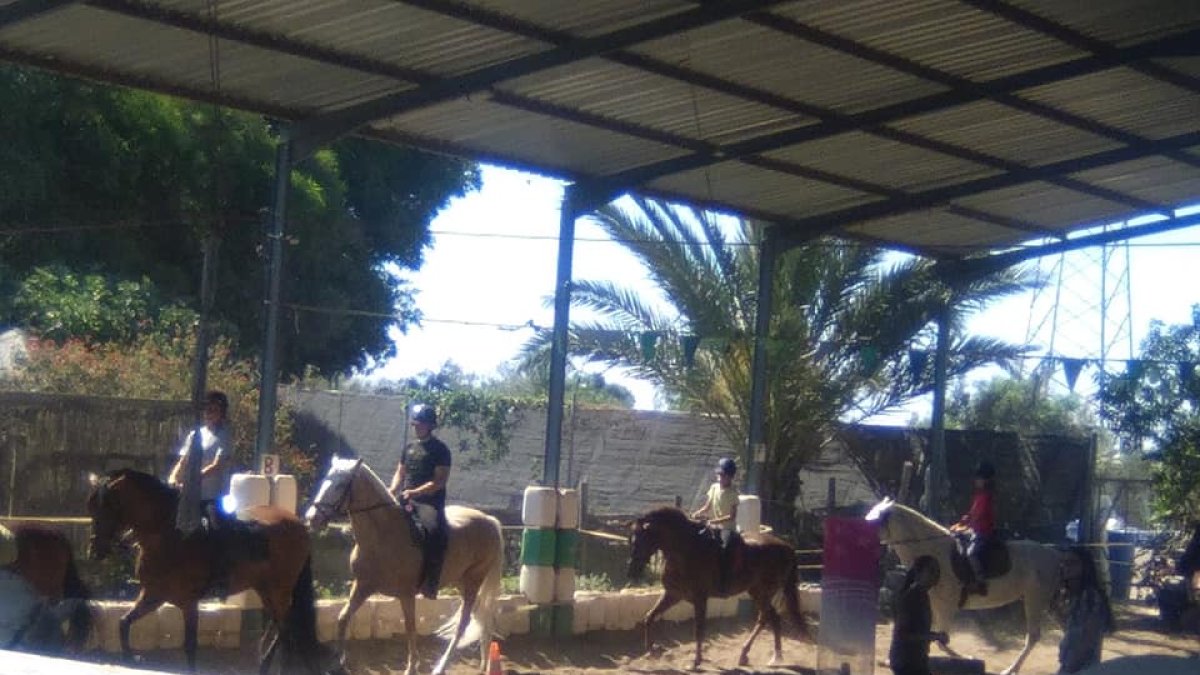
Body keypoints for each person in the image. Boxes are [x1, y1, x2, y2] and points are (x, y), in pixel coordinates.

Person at [167, 390, 234, 596]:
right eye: (207, 408)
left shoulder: (224, 435)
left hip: (213, 496)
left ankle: (220, 577)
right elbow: (184, 460)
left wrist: (193, 479)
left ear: (222, 413)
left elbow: (217, 465)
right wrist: (174, 477)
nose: (209, 412)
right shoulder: (195, 434)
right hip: (191, 494)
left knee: (216, 529)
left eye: (214, 409)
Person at [389, 403, 451, 599]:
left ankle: (430, 582)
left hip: (428, 503)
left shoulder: (440, 450)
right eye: (414, 424)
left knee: (434, 533)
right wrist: (392, 489)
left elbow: (439, 481)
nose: (416, 427)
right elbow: (400, 472)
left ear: (430, 425)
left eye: (420, 424)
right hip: (406, 497)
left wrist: (414, 493)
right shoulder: (408, 448)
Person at [1057, 546, 1114, 674]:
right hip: (1070, 664)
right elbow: (1069, 630)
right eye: (1064, 563)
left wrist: (1070, 668)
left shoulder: (1091, 598)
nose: (1066, 567)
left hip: (1082, 668)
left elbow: (1087, 639)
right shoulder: (1075, 597)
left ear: (1085, 566)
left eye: (1072, 563)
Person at [889, 555, 948, 675]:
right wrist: (933, 637)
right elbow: (903, 634)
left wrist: (934, 636)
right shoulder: (911, 597)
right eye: (931, 571)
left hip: (916, 661)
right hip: (906, 661)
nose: (936, 576)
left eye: (937, 572)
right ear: (918, 573)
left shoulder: (923, 596)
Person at [692, 457, 740, 594]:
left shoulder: (733, 493)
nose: (720, 477)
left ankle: (724, 581)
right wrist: (698, 512)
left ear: (730, 477)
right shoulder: (713, 487)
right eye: (718, 474)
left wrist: (714, 521)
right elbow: (708, 505)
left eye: (723, 475)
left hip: (726, 528)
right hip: (712, 525)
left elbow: (732, 516)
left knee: (724, 549)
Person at [950, 461, 996, 596]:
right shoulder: (979, 496)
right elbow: (972, 514)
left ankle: (981, 582)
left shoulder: (987, 497)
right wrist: (959, 524)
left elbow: (979, 517)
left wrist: (965, 527)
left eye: (979, 478)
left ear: (985, 480)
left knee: (971, 553)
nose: (976, 481)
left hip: (983, 532)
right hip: (975, 531)